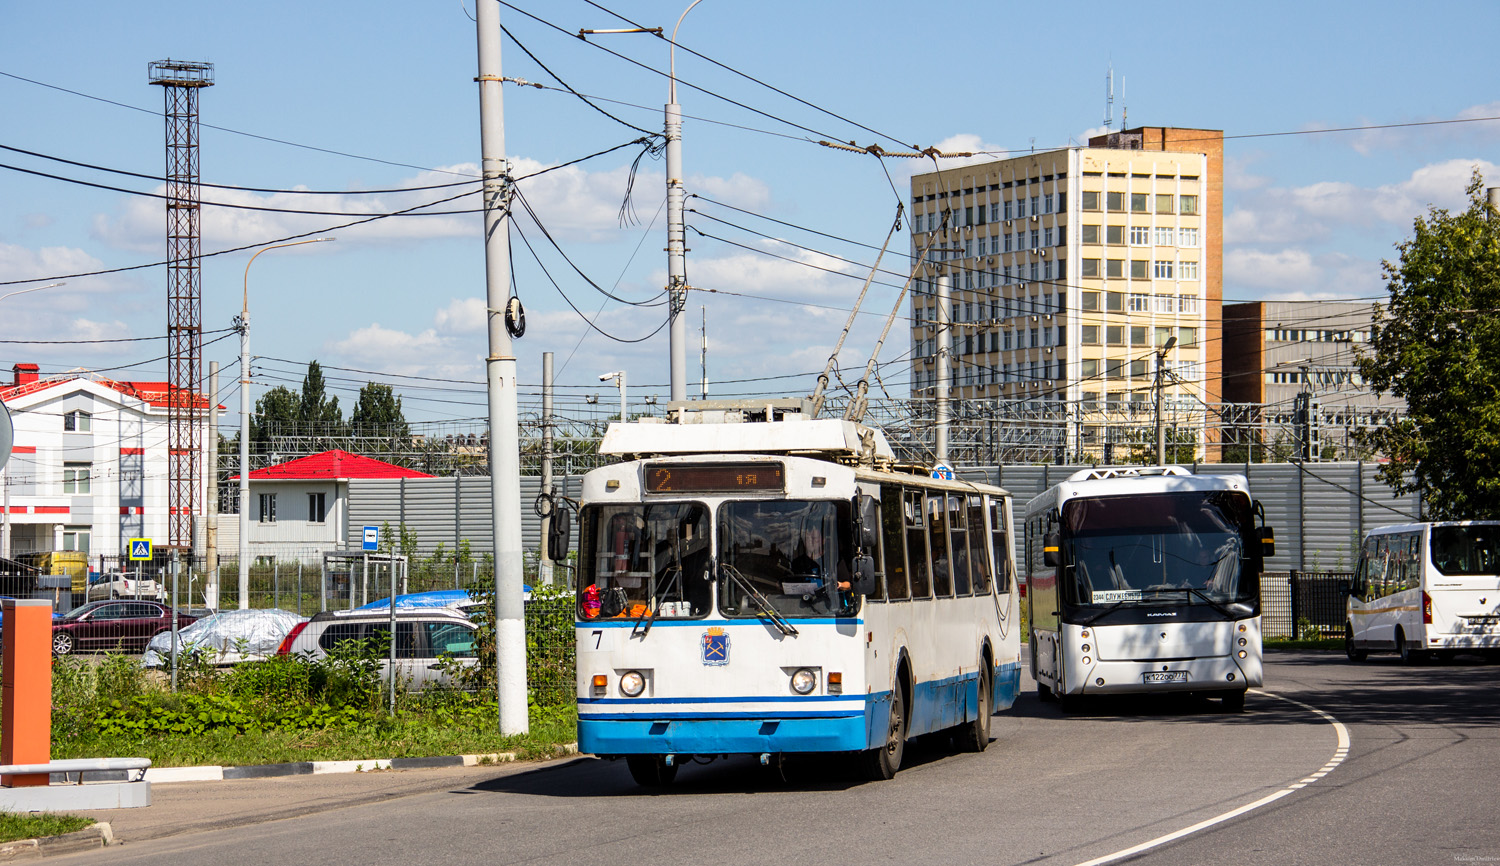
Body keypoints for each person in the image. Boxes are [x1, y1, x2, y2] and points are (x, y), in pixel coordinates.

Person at [790, 525, 850, 591]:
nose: (811, 542)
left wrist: (838, 585)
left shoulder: (834, 560)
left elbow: (848, 584)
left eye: (814, 538)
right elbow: (786, 585)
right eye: (807, 538)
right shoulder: (796, 563)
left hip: (829, 597)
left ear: (823, 540)